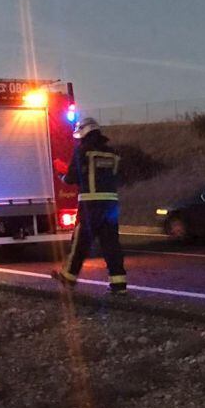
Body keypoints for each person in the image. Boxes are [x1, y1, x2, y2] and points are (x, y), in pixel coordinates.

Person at [53, 117, 126, 294]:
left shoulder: (83, 151)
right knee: (111, 245)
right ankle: (119, 284)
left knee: (80, 242)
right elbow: (118, 177)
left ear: (84, 133)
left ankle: (69, 277)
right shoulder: (113, 153)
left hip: (90, 205)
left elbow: (71, 178)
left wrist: (60, 173)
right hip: (110, 205)